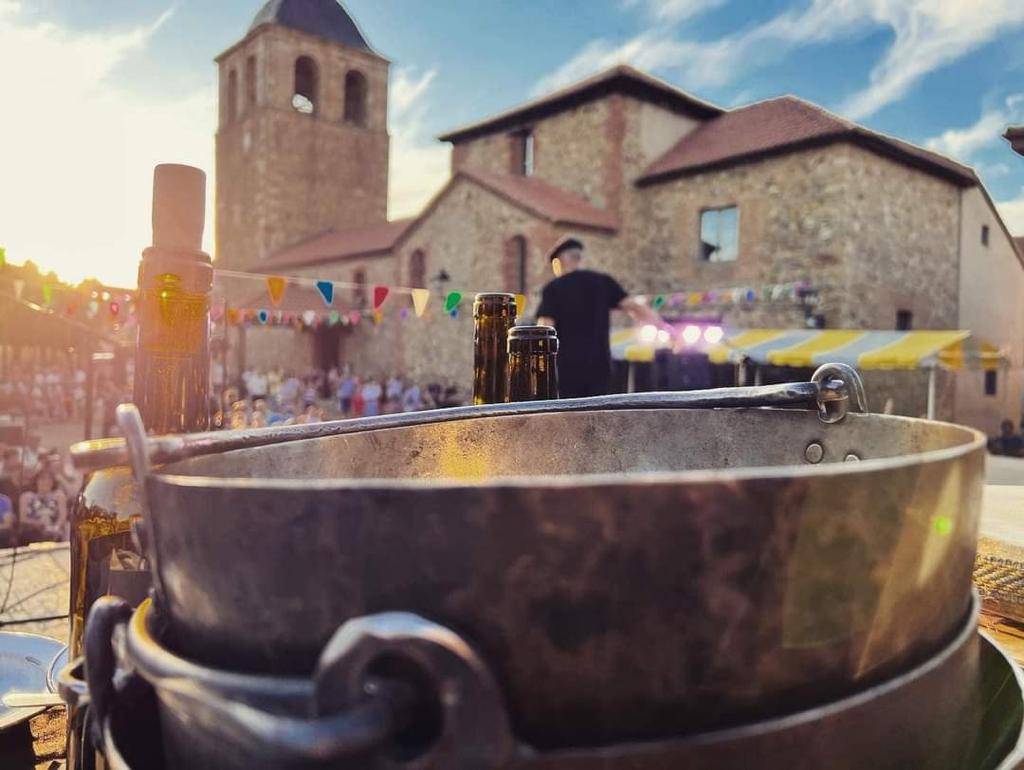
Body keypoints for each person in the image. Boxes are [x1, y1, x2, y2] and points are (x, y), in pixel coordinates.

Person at [536, 237, 665, 398]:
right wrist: (665, 327)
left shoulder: (553, 288)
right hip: (600, 366)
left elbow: (545, 327)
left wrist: (539, 364)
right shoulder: (602, 282)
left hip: (567, 368)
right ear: (578, 258)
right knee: (597, 414)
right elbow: (634, 307)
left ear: (559, 261)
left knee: (570, 416)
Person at [19, 468, 67, 544]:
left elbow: (62, 516)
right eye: (42, 479)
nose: (46, 482)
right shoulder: (26, 497)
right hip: (33, 531)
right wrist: (38, 523)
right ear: (36, 481)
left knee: (54, 535)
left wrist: (55, 528)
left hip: (54, 530)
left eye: (49, 479)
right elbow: (23, 519)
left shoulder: (59, 495)